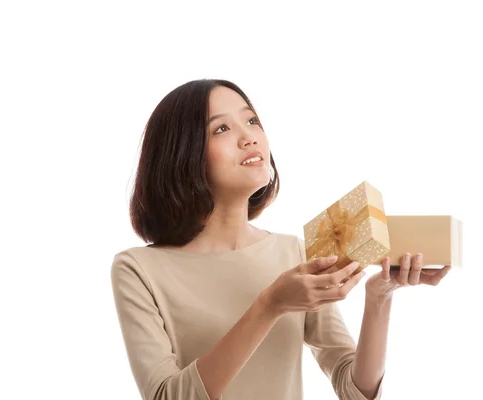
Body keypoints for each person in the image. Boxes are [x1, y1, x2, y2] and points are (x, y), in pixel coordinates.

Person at [110, 79, 451, 400]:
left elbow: (353, 389)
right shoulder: (138, 269)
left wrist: (380, 298)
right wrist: (269, 305)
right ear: (180, 155)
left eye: (252, 120)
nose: (250, 137)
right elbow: (167, 396)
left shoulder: (291, 252)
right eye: (222, 128)